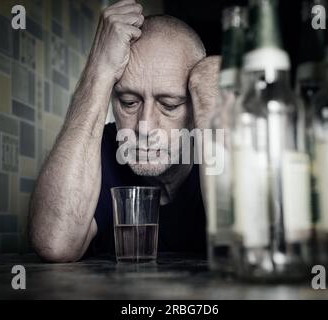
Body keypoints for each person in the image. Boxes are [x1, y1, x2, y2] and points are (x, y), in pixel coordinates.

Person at [28, 0, 220, 262]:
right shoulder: (101, 151)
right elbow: (54, 244)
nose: (145, 127)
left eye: (169, 105)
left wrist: (210, 104)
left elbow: (248, 246)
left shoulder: (216, 150)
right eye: (129, 102)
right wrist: (99, 69)